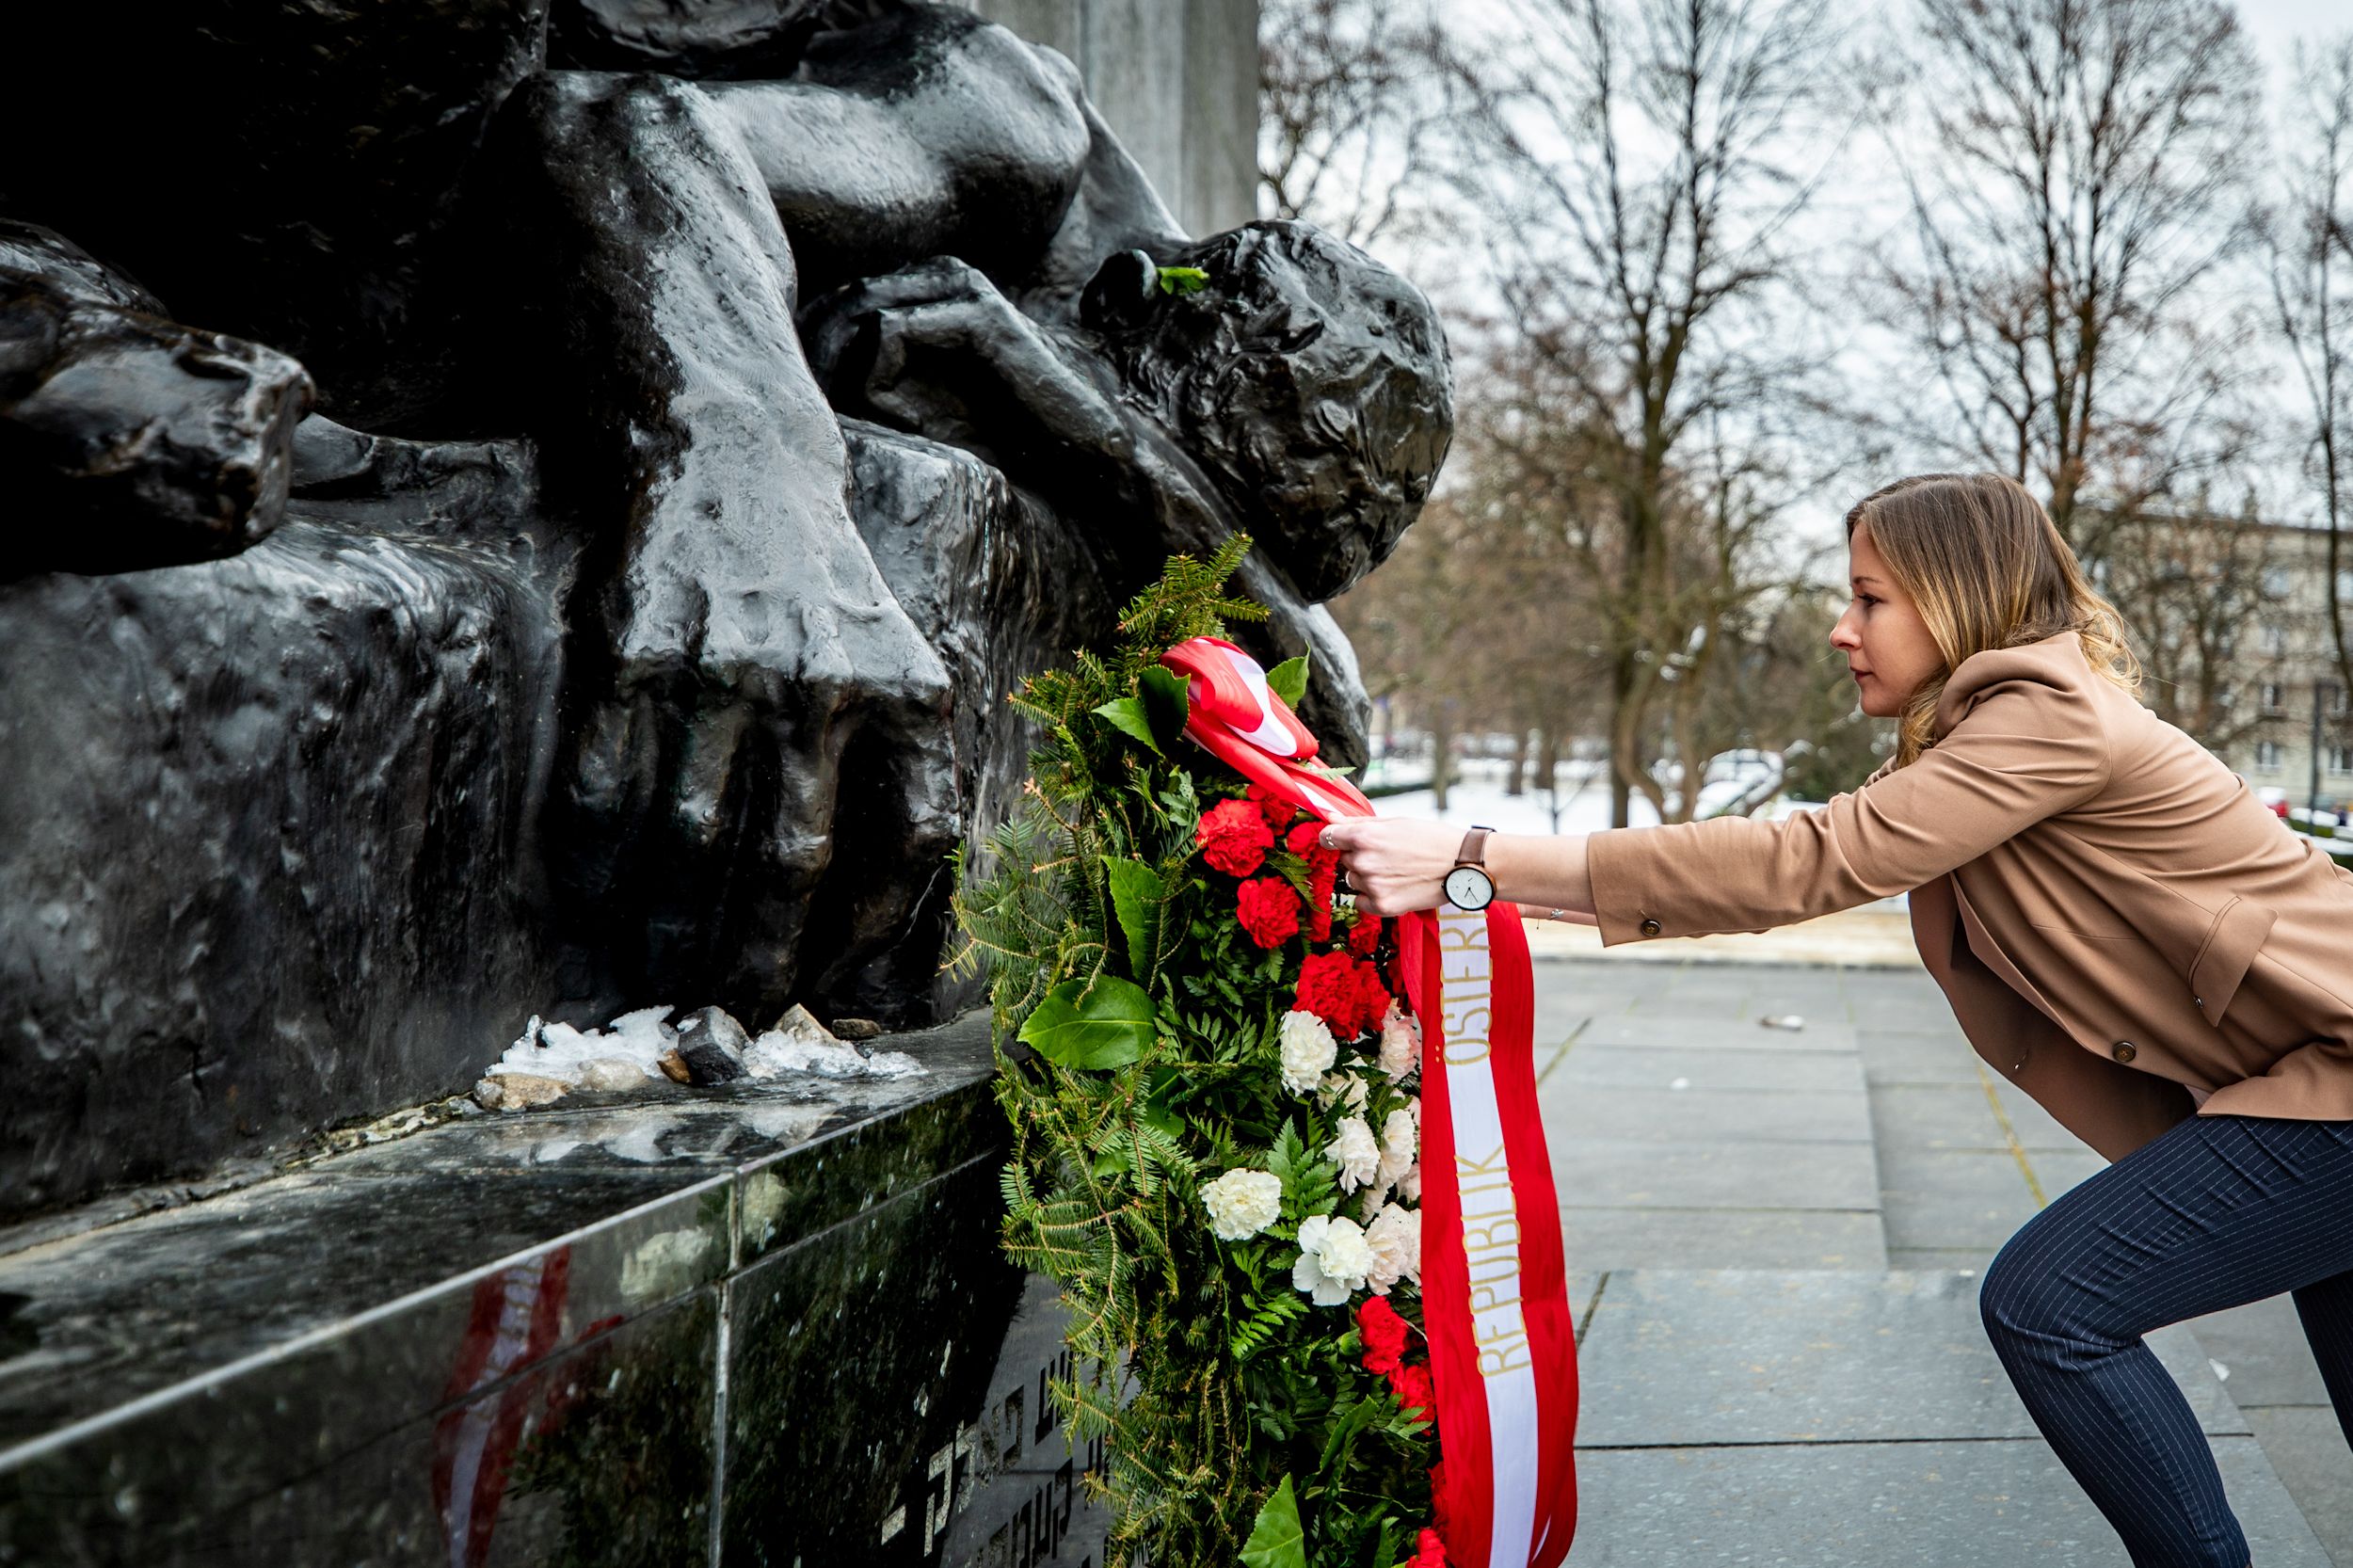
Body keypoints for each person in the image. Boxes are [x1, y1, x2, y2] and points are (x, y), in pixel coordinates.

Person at [1322, 472, 2353, 1568]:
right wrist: (1487, 884)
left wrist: (1475, 855)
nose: (1839, 628)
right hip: (2309, 1082)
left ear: (1953, 598)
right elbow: (1792, 868)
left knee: (2053, 1303)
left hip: (2333, 1083)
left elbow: (1809, 861)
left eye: (1870, 599)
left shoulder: (2046, 715)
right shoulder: (2000, 727)